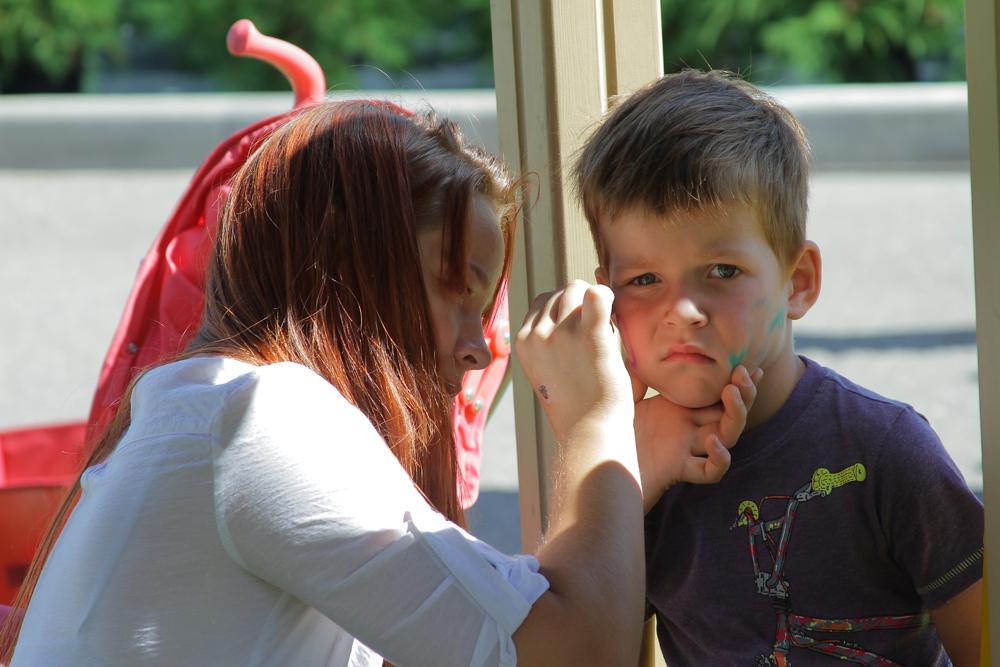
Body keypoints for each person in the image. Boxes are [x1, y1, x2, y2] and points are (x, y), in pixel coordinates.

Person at [0, 100, 758, 667]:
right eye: (456, 288)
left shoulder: (200, 411)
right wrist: (597, 419)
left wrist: (624, 472)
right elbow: (577, 653)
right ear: (345, 264)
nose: (479, 348)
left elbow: (494, 631)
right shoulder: (258, 416)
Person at [574, 69, 984, 666]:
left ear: (798, 281)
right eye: (644, 279)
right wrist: (618, 474)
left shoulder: (887, 450)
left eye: (722, 271)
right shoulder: (633, 469)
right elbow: (566, 647)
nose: (682, 312)